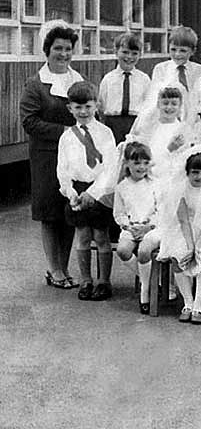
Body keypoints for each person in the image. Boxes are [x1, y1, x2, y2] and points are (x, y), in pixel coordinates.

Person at [20, 21, 84, 289]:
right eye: (58, 48)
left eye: (68, 49)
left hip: (73, 157)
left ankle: (64, 267)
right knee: (49, 213)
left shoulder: (77, 80)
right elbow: (29, 122)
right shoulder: (36, 83)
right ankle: (54, 269)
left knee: (68, 210)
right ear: (47, 50)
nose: (64, 54)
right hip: (46, 156)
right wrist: (67, 132)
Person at [57, 81, 118, 301]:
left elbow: (111, 168)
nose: (83, 112)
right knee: (82, 236)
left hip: (99, 189)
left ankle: (104, 281)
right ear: (70, 108)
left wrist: (94, 193)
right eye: (78, 107)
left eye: (88, 107)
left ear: (97, 106)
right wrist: (70, 192)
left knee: (101, 236)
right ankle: (86, 280)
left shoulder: (105, 133)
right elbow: (62, 169)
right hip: (78, 189)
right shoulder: (67, 137)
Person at [145, 151, 201, 325]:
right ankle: (187, 302)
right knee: (178, 254)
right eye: (195, 172)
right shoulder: (180, 189)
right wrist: (190, 245)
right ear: (187, 173)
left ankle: (198, 305)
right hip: (184, 230)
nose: (200, 176)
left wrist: (198, 244)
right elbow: (183, 219)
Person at [113, 141, 159, 314]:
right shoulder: (122, 187)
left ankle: (145, 293)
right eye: (137, 162)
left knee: (144, 252)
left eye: (145, 163)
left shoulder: (155, 184)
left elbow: (161, 210)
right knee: (123, 250)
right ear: (126, 163)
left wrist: (148, 227)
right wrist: (128, 226)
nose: (142, 167)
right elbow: (119, 213)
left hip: (152, 227)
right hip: (131, 227)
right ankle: (151, 281)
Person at [98, 32, 150, 143]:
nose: (129, 57)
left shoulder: (144, 79)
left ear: (140, 55)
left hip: (136, 124)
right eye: (125, 52)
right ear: (116, 52)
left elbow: (148, 105)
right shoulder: (108, 79)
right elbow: (102, 105)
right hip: (113, 124)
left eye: (134, 53)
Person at [149, 26, 201, 97]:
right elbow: (155, 95)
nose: (177, 54)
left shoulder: (200, 71)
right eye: (173, 49)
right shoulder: (161, 69)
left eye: (183, 51)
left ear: (193, 51)